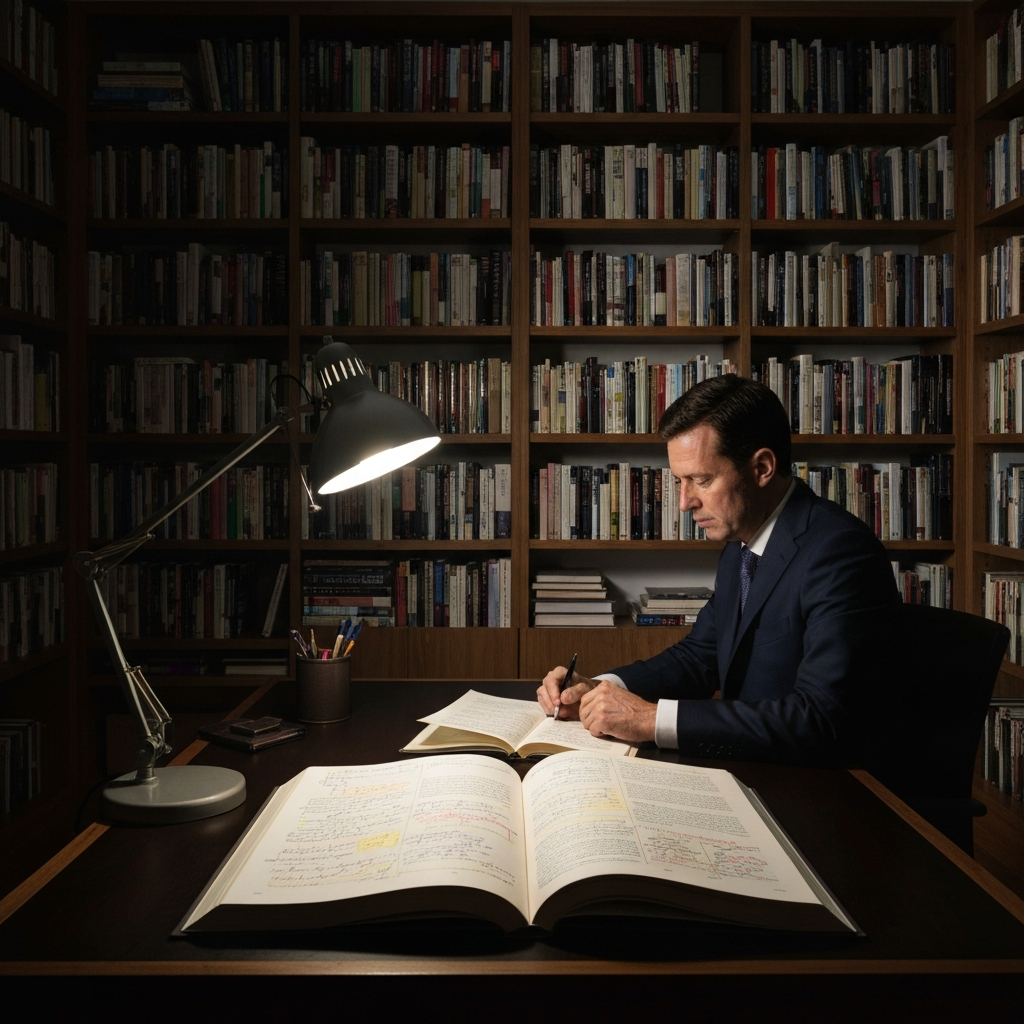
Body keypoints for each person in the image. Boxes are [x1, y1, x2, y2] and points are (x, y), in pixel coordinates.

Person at [536, 374, 901, 765]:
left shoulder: (841, 552)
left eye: (701, 480)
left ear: (761, 467)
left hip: (823, 789)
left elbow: (819, 717)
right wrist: (600, 688)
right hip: (749, 765)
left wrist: (651, 719)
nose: (684, 502)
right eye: (679, 481)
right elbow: (702, 656)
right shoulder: (741, 544)